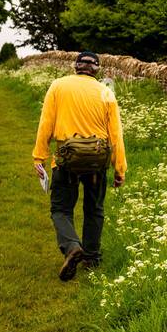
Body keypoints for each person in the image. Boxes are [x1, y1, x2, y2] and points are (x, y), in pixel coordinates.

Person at [32, 51, 127, 281]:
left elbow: (46, 122)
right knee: (94, 209)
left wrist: (39, 156)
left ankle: (72, 246)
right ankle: (92, 258)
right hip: (96, 162)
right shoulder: (106, 92)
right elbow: (116, 135)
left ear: (76, 67)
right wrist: (119, 168)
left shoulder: (58, 86)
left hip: (66, 161)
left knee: (61, 209)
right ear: (97, 69)